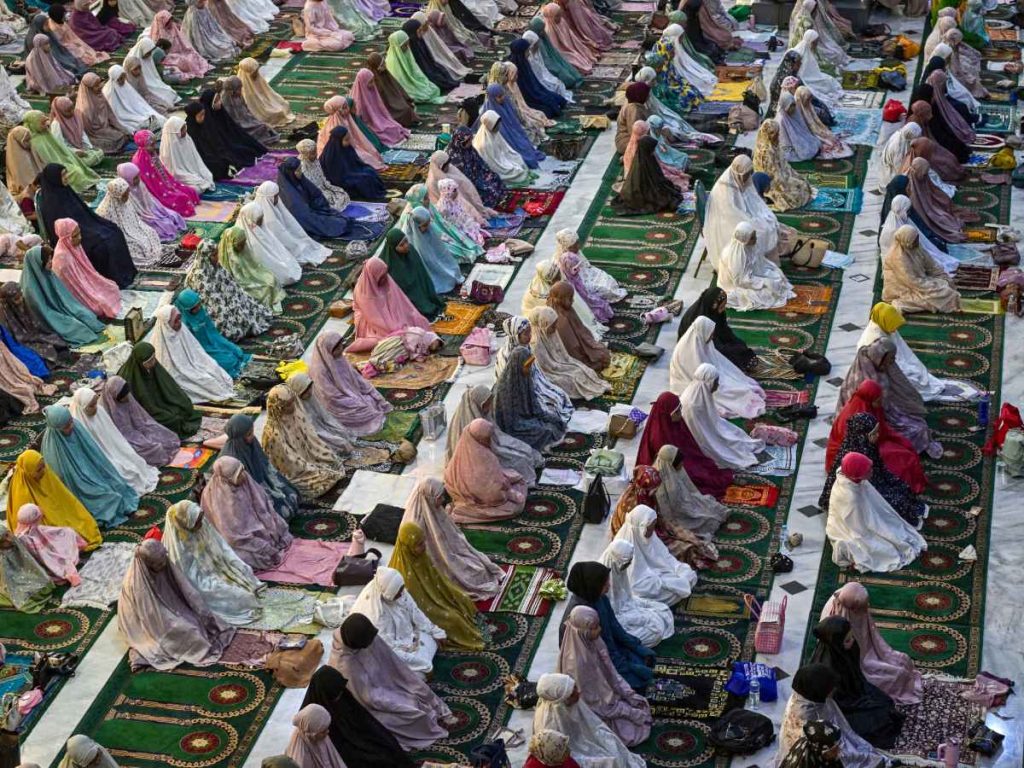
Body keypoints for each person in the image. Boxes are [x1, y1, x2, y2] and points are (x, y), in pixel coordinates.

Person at [329, 613, 452, 749]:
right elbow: (367, 697)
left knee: (418, 689)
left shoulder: (367, 635)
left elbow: (393, 663)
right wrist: (396, 700)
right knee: (409, 712)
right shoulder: (344, 664)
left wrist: (404, 683)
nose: (371, 644)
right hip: (373, 702)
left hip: (388, 681)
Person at [118, 539, 236, 671]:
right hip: (151, 624)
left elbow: (184, 589)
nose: (163, 563)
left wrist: (194, 607)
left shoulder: (162, 565)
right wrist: (179, 620)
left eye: (164, 557)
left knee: (203, 616)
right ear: (148, 563)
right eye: (159, 562)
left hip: (169, 609)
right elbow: (153, 619)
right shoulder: (137, 586)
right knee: (190, 631)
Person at [558, 604, 652, 746]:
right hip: (597, 707)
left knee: (638, 700)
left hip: (606, 694)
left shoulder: (592, 640)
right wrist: (629, 712)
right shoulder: (577, 663)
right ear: (582, 631)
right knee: (633, 729)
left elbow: (610, 670)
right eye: (594, 628)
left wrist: (627, 694)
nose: (599, 630)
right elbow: (595, 703)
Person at [162, 500, 262, 625]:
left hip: (218, 568)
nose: (200, 524)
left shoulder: (202, 525)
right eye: (196, 522)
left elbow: (223, 547)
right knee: (240, 597)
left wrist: (234, 566)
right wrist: (218, 581)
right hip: (204, 583)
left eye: (200, 520)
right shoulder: (178, 550)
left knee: (245, 570)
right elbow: (194, 581)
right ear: (185, 523)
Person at [837, 336, 940, 458]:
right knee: (915, 431)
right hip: (874, 419)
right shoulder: (864, 381)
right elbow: (870, 418)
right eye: (891, 358)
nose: (893, 361)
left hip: (883, 412)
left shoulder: (877, 362)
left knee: (918, 423)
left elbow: (899, 384)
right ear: (881, 357)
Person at [810, 616, 905, 748]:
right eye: (847, 640)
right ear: (836, 643)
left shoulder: (848, 648)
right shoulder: (826, 668)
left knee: (886, 703)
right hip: (843, 706)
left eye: (852, 637)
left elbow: (856, 677)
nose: (852, 641)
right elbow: (834, 701)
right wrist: (860, 701)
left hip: (856, 691)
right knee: (876, 719)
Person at [36, 163, 136, 287]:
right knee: (102, 245)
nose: (67, 177)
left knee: (114, 231)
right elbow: (61, 229)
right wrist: (89, 232)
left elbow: (84, 213)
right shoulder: (50, 202)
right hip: (73, 235)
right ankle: (112, 279)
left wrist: (96, 225)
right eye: (63, 175)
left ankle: (125, 275)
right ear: (54, 178)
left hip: (85, 226)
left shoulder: (66, 190)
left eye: (66, 173)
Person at [819, 412, 926, 527]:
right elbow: (865, 484)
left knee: (902, 488)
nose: (877, 435)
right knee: (892, 505)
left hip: (871, 480)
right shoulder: (855, 453)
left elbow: (879, 468)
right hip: (861, 489)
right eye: (873, 433)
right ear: (863, 435)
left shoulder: (866, 444)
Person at [822, 582, 922, 705]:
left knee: (902, 661)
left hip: (864, 652)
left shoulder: (848, 600)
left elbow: (868, 635)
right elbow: (845, 653)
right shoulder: (836, 622)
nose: (867, 607)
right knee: (893, 675)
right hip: (853, 663)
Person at [388, 521, 484, 649]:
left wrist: (449, 596)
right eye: (419, 545)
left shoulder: (420, 556)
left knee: (464, 598)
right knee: (454, 619)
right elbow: (416, 608)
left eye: (423, 542)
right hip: (425, 611)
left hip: (436, 597)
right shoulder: (403, 577)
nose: (424, 547)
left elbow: (438, 581)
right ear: (408, 547)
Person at [826, 452, 926, 573]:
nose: (872, 471)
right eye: (868, 470)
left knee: (892, 525)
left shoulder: (851, 476)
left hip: (862, 516)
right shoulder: (850, 497)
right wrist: (880, 528)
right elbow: (858, 529)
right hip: (850, 527)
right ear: (858, 475)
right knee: (883, 549)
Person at [41, 405, 137, 529]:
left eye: (71, 422)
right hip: (78, 485)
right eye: (66, 426)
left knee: (118, 485)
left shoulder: (76, 427)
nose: (71, 427)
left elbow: (94, 454)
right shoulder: (53, 448)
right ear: (57, 429)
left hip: (92, 471)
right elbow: (65, 479)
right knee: (107, 497)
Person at [562, 562, 654, 690]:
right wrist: (625, 666)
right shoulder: (579, 617)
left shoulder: (599, 598)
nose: (609, 586)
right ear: (593, 586)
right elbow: (595, 653)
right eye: (605, 584)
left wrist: (635, 645)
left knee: (646, 658)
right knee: (636, 683)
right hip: (595, 661)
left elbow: (613, 625)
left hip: (612, 650)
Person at [300, 667, 417, 768]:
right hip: (342, 749)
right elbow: (330, 747)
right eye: (336, 695)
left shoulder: (340, 696)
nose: (340, 696)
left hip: (355, 736)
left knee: (387, 744)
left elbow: (362, 719)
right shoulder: (313, 717)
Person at [777, 664, 884, 768]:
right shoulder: (808, 716)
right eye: (829, 687)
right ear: (817, 691)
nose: (833, 689)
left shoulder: (806, 695)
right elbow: (826, 750)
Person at [532, 673, 647, 768]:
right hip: (569, 755)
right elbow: (561, 756)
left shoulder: (567, 703)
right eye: (572, 693)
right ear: (560, 701)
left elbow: (591, 723)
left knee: (612, 743)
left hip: (581, 741)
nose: (578, 693)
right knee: (610, 761)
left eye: (575, 687)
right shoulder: (549, 726)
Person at [200, 455, 292, 572]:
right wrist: (257, 543)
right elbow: (231, 535)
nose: (243, 475)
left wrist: (267, 527)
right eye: (238, 474)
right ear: (228, 478)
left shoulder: (246, 480)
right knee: (247, 559)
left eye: (242, 470)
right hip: (240, 540)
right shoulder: (216, 495)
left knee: (280, 531)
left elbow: (263, 505)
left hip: (260, 526)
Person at [348, 566, 446, 675]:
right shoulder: (376, 615)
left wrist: (435, 631)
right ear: (387, 593)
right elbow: (388, 649)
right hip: (386, 649)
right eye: (398, 592)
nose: (401, 594)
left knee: (431, 640)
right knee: (417, 676)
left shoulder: (396, 590)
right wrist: (424, 666)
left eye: (402, 589)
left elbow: (414, 611)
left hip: (404, 638)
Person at [635, 391, 733, 498]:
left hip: (681, 460)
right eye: (676, 412)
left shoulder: (674, 422)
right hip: (670, 469)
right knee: (699, 478)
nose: (680, 414)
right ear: (667, 414)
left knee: (705, 466)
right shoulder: (658, 436)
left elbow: (689, 446)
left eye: (680, 409)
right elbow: (669, 466)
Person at [857, 302, 960, 401]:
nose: (894, 330)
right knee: (910, 381)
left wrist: (911, 367)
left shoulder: (884, 326)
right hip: (880, 371)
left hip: (892, 362)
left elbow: (903, 351)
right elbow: (881, 365)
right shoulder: (872, 340)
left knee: (917, 373)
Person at [261, 385, 345, 499]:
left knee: (333, 460)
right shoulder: (273, 433)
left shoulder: (296, 415)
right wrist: (311, 468)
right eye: (287, 404)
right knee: (322, 479)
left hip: (309, 458)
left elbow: (312, 440)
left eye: (293, 402)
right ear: (278, 407)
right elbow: (289, 462)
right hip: (295, 469)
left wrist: (321, 455)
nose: (292, 407)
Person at [69, 387, 159, 495]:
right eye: (91, 406)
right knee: (118, 472)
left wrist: (121, 452)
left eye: (95, 404)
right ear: (82, 407)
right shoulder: (77, 423)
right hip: (97, 458)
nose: (95, 408)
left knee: (133, 464)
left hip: (113, 449)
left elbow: (114, 436)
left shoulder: (99, 411)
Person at [671, 316, 766, 418]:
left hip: (708, 373)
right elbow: (697, 377)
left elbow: (718, 362)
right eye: (711, 334)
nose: (712, 337)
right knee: (727, 393)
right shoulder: (688, 349)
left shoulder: (701, 340)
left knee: (738, 384)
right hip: (690, 380)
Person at [6, 449, 101, 549]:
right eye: (38, 470)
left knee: (81, 525)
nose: (43, 471)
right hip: (40, 527)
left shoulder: (46, 475)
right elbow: (30, 528)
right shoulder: (22, 493)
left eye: (43, 466)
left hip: (55, 512)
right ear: (29, 472)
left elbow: (65, 499)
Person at [704, 155, 784, 269]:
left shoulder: (742, 179)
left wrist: (762, 214)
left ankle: (763, 261)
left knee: (768, 222)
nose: (747, 178)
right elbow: (732, 214)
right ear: (739, 173)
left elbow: (754, 200)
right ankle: (753, 264)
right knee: (760, 232)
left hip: (741, 216)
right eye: (746, 175)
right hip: (725, 222)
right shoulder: (725, 189)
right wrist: (752, 221)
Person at [308, 331, 392, 436]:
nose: (341, 350)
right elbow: (331, 397)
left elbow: (357, 379)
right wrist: (354, 400)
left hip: (352, 395)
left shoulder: (339, 359)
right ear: (328, 350)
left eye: (341, 346)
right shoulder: (319, 371)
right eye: (337, 348)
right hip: (337, 404)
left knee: (372, 400)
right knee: (364, 410)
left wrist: (370, 391)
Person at [444, 418, 528, 523]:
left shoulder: (460, 450)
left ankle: (463, 508)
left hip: (459, 494)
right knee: (516, 502)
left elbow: (449, 478)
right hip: (485, 497)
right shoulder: (487, 458)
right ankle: (466, 511)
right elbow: (494, 494)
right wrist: (509, 492)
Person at [18, 246, 103, 347]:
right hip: (49, 316)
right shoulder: (29, 288)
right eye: (48, 260)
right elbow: (43, 312)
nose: (51, 262)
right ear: (38, 262)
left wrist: (70, 309)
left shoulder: (48, 273)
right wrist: (63, 316)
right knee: (76, 327)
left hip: (60, 307)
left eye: (51, 259)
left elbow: (64, 295)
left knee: (85, 315)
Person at [220, 413, 300, 520]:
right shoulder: (231, 459)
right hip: (250, 492)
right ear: (239, 437)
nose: (252, 436)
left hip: (263, 479)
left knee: (291, 494)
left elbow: (265, 465)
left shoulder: (251, 442)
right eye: (249, 434)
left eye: (252, 432)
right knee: (280, 512)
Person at [149, 305, 235, 403]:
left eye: (179, 319)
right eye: (175, 321)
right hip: (178, 375)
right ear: (167, 324)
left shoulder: (182, 330)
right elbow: (168, 369)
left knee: (215, 370)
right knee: (205, 381)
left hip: (193, 365)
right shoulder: (160, 342)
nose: (179, 323)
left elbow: (197, 351)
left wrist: (203, 366)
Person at [493, 344, 570, 451]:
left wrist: (549, 417)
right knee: (544, 431)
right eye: (527, 366)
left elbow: (534, 406)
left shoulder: (524, 378)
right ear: (517, 365)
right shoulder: (504, 388)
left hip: (527, 417)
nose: (529, 369)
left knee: (554, 421)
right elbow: (508, 421)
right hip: (514, 425)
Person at [599, 539, 674, 647]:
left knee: (663, 609)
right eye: (626, 563)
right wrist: (643, 619)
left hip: (628, 611)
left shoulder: (617, 570)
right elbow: (612, 619)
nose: (628, 565)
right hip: (618, 624)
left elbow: (627, 598)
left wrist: (645, 608)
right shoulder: (602, 582)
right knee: (655, 632)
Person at [527, 306, 610, 400]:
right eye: (552, 326)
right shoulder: (536, 343)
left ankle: (595, 386)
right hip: (550, 373)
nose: (555, 328)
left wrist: (570, 365)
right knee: (572, 378)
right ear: (543, 325)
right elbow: (546, 367)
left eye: (555, 324)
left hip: (561, 365)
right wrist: (566, 369)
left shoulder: (551, 332)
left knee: (584, 369)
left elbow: (564, 355)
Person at [98, 374, 179, 467]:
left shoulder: (127, 397)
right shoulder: (104, 410)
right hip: (123, 441)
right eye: (123, 396)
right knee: (155, 448)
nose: (127, 398)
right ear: (115, 395)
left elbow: (140, 419)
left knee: (168, 437)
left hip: (136, 432)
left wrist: (144, 432)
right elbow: (113, 438)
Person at [652, 443, 729, 538]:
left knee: (713, 507)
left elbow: (688, 491)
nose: (682, 465)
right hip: (676, 515)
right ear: (671, 464)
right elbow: (670, 511)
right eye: (680, 463)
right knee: (708, 519)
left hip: (685, 503)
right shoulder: (660, 483)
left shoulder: (670, 470)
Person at [49, 218, 122, 319]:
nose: (80, 237)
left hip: (86, 283)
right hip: (77, 294)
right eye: (75, 236)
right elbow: (75, 287)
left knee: (111, 288)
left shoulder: (71, 245)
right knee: (99, 305)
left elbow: (87, 271)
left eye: (79, 233)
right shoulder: (62, 259)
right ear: (66, 238)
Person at [716, 222, 796, 310]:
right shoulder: (736, 256)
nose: (755, 239)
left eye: (754, 236)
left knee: (777, 274)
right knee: (768, 292)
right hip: (736, 287)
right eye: (752, 238)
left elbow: (760, 263)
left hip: (752, 279)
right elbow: (740, 281)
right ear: (744, 239)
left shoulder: (748, 247)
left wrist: (769, 272)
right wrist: (763, 282)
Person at [173, 289, 250, 379]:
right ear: (185, 309)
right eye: (194, 308)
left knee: (236, 352)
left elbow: (214, 334)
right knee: (228, 362)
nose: (198, 309)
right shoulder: (183, 324)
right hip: (200, 351)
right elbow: (191, 348)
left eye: (199, 305)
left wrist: (229, 346)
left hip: (214, 343)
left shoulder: (202, 312)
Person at [676, 287, 757, 371]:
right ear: (714, 306)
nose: (723, 310)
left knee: (739, 345)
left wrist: (736, 342)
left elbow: (724, 329)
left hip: (711, 338)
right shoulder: (699, 320)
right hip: (695, 349)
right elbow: (710, 346)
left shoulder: (711, 309)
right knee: (729, 357)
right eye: (721, 307)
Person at [879, 195, 959, 276]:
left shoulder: (903, 220)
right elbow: (898, 255)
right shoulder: (892, 230)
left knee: (934, 251)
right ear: (901, 210)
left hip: (906, 255)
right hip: (898, 264)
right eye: (907, 210)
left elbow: (919, 243)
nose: (908, 213)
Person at [132, 127, 201, 217]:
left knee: (190, 191)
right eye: (151, 145)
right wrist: (167, 190)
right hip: (158, 193)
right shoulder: (139, 161)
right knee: (182, 199)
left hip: (167, 185)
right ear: (142, 144)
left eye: (154, 144)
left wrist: (170, 187)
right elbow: (149, 186)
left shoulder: (151, 154)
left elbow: (164, 174)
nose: (154, 147)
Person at [94, 178, 163, 268]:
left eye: (127, 193)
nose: (127, 196)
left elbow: (135, 219)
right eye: (124, 195)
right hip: (121, 237)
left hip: (134, 229)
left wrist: (141, 230)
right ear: (117, 195)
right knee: (139, 245)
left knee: (151, 233)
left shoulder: (126, 202)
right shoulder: (104, 211)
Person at [216, 226, 284, 311]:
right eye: (240, 244)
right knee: (264, 288)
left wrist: (258, 276)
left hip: (250, 276)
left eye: (244, 243)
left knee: (271, 279)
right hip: (240, 284)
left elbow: (254, 265)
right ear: (232, 243)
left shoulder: (243, 248)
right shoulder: (227, 256)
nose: (243, 246)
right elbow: (233, 278)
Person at [546, 282, 610, 372]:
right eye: (570, 298)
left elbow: (581, 329)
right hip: (574, 355)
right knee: (602, 358)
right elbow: (572, 348)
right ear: (562, 299)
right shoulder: (560, 321)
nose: (573, 301)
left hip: (579, 345)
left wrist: (590, 343)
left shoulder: (562, 307)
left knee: (601, 352)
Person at [754, 115, 816, 209]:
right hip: (770, 182)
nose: (776, 136)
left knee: (802, 183)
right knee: (795, 192)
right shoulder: (764, 152)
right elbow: (769, 175)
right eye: (773, 134)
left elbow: (783, 164)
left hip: (780, 175)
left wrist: (791, 175)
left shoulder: (773, 145)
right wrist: (786, 181)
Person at [235, 202, 302, 288]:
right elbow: (264, 259)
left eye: (262, 217)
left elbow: (274, 247)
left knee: (288, 267)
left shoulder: (260, 228)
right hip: (259, 270)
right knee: (284, 274)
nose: (262, 220)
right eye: (259, 218)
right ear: (250, 219)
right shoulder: (244, 238)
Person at [117, 161, 187, 243]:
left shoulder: (139, 184)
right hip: (139, 217)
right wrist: (149, 216)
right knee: (164, 227)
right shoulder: (124, 190)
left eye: (138, 176)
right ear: (127, 179)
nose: (138, 179)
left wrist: (158, 212)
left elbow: (149, 200)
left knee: (174, 216)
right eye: (135, 178)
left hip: (150, 209)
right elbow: (130, 212)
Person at [319, 126, 388, 201]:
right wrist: (355, 174)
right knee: (364, 179)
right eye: (346, 140)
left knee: (370, 171)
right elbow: (336, 176)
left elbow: (355, 161)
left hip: (351, 171)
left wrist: (362, 168)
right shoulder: (331, 155)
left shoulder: (347, 148)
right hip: (342, 179)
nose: (349, 142)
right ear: (338, 140)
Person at [0, 522, 55, 611]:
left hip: (23, 575)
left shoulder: (16, 542)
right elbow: (6, 581)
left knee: (42, 585)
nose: (9, 540)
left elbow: (30, 564)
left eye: (7, 534)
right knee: (25, 598)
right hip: (9, 584)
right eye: (3, 541)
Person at [159, 115, 215, 194]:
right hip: (179, 177)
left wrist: (196, 173)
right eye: (182, 129)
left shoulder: (187, 139)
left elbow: (196, 159)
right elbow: (173, 171)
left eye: (185, 127)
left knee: (208, 176)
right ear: (175, 131)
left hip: (191, 172)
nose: (185, 131)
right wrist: (189, 177)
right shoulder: (169, 146)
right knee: (195, 189)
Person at [236, 57, 293, 127]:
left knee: (284, 105)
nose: (257, 72)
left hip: (266, 102)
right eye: (254, 71)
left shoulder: (257, 77)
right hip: (259, 110)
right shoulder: (243, 87)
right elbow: (253, 107)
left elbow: (268, 92)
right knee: (274, 113)